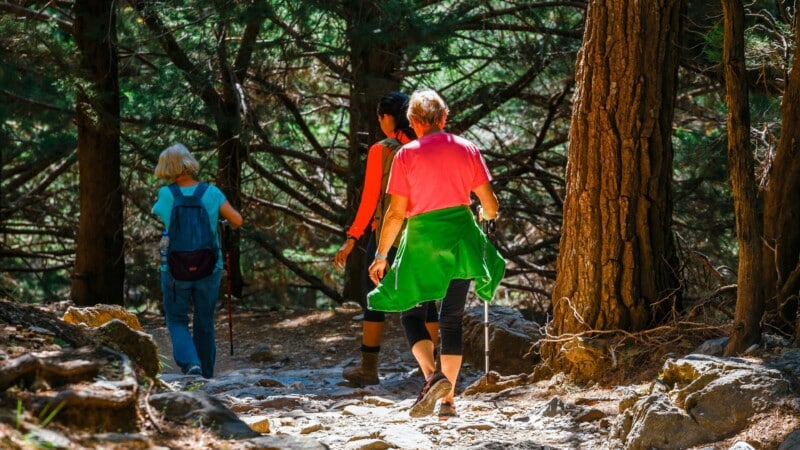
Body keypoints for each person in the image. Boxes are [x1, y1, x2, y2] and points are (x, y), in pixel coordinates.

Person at [367, 89, 505, 418]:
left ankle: (432, 377)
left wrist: (381, 254)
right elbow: (491, 205)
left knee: (412, 315)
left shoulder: (406, 155)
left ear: (413, 122)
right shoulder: (467, 148)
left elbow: (396, 214)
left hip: (422, 244)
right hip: (460, 240)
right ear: (443, 119)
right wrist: (486, 217)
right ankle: (448, 402)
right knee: (451, 320)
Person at [334, 91, 439, 386]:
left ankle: (368, 368)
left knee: (374, 299)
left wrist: (352, 238)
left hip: (387, 237)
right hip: (423, 237)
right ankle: (432, 368)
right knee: (426, 301)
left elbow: (369, 201)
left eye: (380, 117)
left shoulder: (383, 150)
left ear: (387, 118)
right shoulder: (427, 147)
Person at [152, 143, 243, 378]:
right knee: (204, 320)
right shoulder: (211, 193)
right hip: (209, 267)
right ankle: (206, 374)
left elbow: (157, 212)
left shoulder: (166, 194)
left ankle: (191, 363)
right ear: (188, 163)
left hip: (174, 269)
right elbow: (237, 220)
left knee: (176, 318)